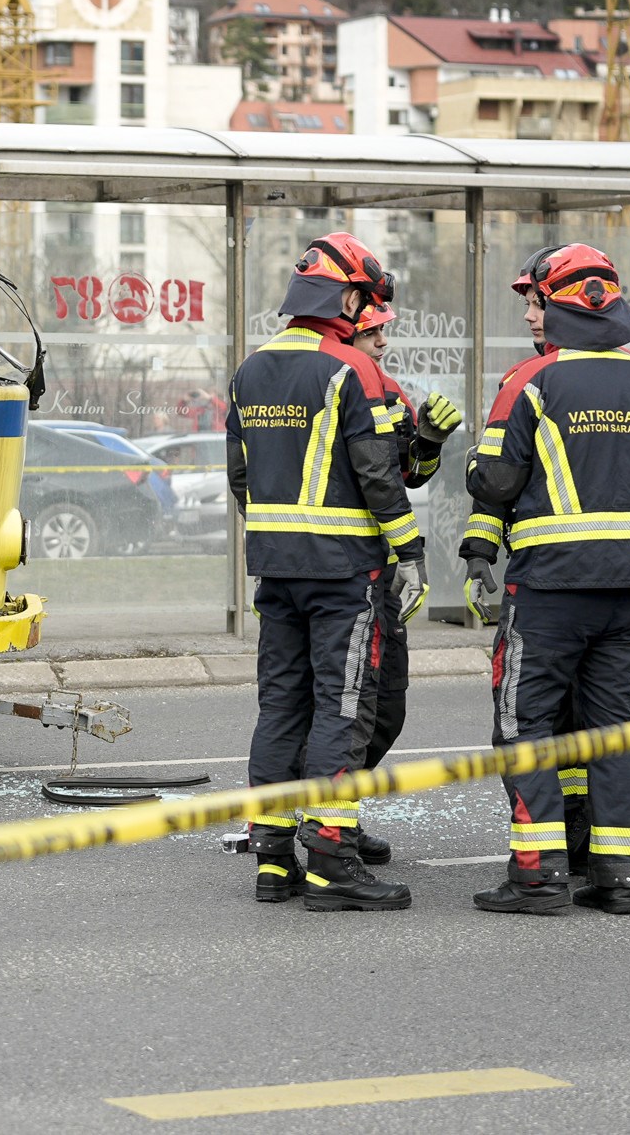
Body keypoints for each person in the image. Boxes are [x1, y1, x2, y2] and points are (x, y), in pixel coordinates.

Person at [463, 243, 630, 917]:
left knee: (525, 724)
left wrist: (477, 469)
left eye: (536, 300)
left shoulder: (531, 381)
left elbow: (493, 481)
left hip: (550, 587)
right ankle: (615, 874)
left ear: (563, 305)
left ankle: (536, 876)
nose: (529, 314)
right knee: (614, 727)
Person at [225, 232, 428, 911]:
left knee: (281, 707)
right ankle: (333, 863)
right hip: (343, 574)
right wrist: (408, 551)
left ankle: (273, 859)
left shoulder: (249, 370)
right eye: (363, 299)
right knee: (341, 709)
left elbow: (240, 477)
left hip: (276, 568)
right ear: (344, 299)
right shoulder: (351, 368)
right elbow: (379, 475)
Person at [347, 301, 462, 863]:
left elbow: (407, 474)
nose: (382, 341)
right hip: (339, 574)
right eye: (372, 331)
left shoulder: (389, 391)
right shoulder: (323, 383)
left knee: (383, 710)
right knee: (334, 711)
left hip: (381, 575)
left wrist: (430, 442)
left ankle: (329, 815)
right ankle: (320, 826)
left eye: (384, 331)